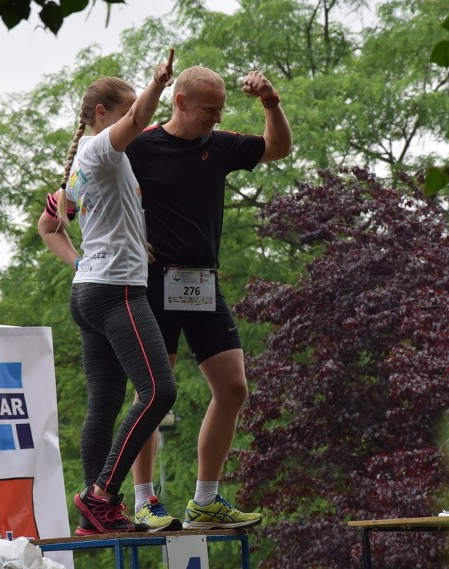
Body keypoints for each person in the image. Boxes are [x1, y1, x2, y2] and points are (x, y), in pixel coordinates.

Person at [125, 66, 292, 531]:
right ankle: (144, 500)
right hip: (153, 282)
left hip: (202, 283)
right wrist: (130, 241)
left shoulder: (217, 147)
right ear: (179, 102)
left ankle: (206, 499)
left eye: (221, 110)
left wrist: (271, 102)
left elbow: (278, 147)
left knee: (234, 387)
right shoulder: (140, 146)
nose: (216, 119)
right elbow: (87, 191)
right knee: (154, 392)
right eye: (208, 110)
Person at [37, 49, 178, 535]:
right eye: (122, 114)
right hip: (116, 292)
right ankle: (102, 495)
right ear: (102, 115)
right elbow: (140, 117)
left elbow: (49, 225)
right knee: (159, 390)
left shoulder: (81, 163)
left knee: (104, 403)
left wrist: (92, 259)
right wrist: (158, 83)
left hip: (90, 291)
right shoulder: (100, 149)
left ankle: (97, 513)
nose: (132, 123)